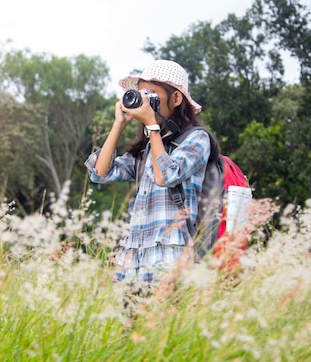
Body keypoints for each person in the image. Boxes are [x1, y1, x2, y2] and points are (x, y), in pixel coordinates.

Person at [85, 59, 217, 284]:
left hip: (171, 257)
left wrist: (152, 127)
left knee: (166, 319)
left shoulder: (197, 138)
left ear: (176, 98)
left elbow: (165, 175)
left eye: (152, 95)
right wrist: (119, 124)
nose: (145, 101)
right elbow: (99, 173)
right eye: (141, 94)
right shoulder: (146, 149)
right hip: (133, 259)